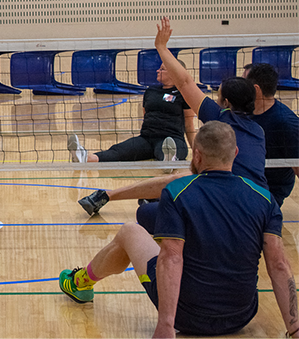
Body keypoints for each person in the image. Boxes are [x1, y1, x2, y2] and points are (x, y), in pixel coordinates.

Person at [59, 121, 299, 338]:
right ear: (235, 154)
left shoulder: (178, 193)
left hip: (187, 317)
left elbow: (171, 258)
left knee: (130, 231)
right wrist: (295, 328)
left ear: (196, 155)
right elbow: (278, 265)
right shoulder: (264, 198)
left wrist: (166, 324)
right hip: (241, 315)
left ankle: (81, 283)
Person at [78, 17, 267, 221]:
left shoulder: (219, 118)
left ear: (226, 102)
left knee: (146, 213)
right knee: (173, 183)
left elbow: (185, 82)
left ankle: (127, 190)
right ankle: (111, 193)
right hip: (259, 204)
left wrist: (161, 46)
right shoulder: (259, 131)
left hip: (222, 201)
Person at [68, 61, 196, 164]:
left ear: (175, 73)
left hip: (172, 138)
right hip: (147, 139)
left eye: (162, 69)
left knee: (166, 150)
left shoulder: (183, 94)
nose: (157, 70)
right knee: (119, 150)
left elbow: (189, 125)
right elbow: (146, 116)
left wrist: (197, 152)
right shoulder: (151, 91)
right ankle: (84, 157)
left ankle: (169, 160)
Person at [246, 63, 299, 206]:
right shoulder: (244, 111)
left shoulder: (286, 123)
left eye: (244, 83)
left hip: (269, 190)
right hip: (244, 181)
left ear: (256, 90)